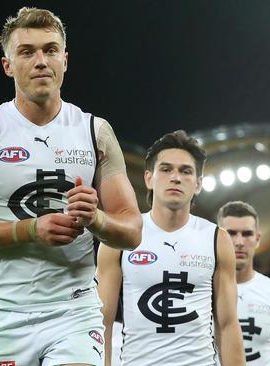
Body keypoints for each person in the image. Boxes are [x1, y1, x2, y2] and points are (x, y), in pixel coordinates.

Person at [0, 7, 142, 366]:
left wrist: (96, 220)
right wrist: (30, 229)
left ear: (65, 60)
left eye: (50, 50)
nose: (41, 61)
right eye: (27, 52)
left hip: (75, 311)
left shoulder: (96, 132)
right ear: (8, 65)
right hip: (6, 312)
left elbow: (133, 229)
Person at [98, 130, 245, 366]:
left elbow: (227, 325)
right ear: (149, 178)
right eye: (166, 169)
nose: (175, 177)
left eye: (185, 171)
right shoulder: (121, 237)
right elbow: (102, 322)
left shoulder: (217, 239)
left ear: (198, 184)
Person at [216, 201, 270, 366]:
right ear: (218, 237)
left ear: (257, 239)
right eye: (231, 233)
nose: (239, 242)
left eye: (247, 234)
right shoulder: (199, 291)